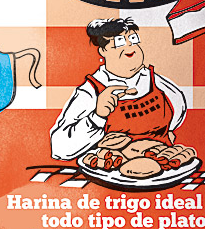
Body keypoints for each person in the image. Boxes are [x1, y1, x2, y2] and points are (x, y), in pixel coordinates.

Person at [50, 18, 187, 161]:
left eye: (133, 40)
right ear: (103, 51)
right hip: (112, 168)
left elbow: (179, 109)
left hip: (163, 164)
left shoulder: (155, 81)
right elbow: (59, 149)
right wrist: (97, 117)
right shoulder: (90, 91)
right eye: (119, 42)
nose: (129, 47)